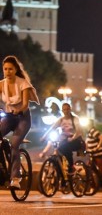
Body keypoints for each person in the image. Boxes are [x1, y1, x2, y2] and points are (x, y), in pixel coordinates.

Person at [0, 55, 39, 189]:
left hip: (22, 118)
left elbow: (25, 105)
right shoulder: (1, 84)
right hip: (8, 117)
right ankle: (3, 167)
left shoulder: (23, 83)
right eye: (5, 69)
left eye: (10, 69)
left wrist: (19, 110)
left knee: (15, 145)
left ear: (16, 70)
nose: (8, 72)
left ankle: (16, 178)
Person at [40, 103, 84, 174]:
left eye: (67, 109)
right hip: (64, 141)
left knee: (65, 147)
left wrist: (72, 138)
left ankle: (71, 167)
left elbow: (78, 131)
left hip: (75, 141)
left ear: (70, 109)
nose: (66, 111)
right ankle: (61, 176)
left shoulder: (75, 119)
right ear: (62, 111)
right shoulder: (60, 120)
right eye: (64, 110)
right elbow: (52, 128)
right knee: (59, 152)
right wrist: (44, 137)